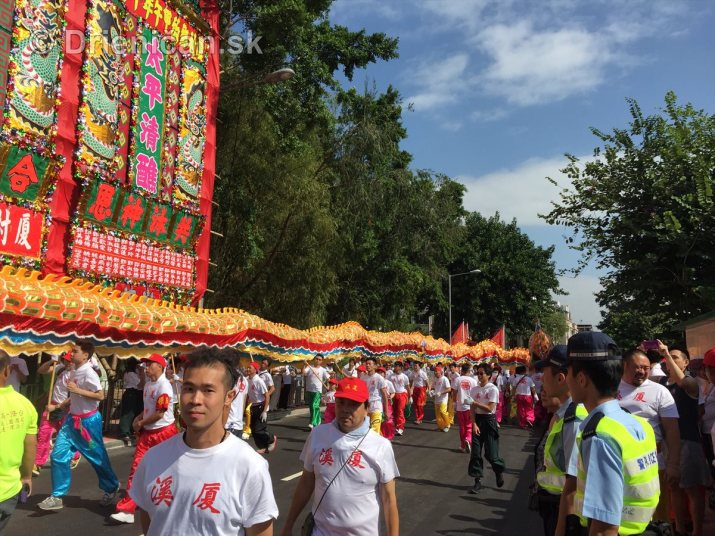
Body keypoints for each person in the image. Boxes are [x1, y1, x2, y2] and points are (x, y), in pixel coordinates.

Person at [129, 349, 278, 535]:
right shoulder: (153, 458)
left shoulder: (250, 466)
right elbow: (150, 521)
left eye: (208, 390)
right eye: (189, 389)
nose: (195, 400)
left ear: (229, 397)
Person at [279, 377, 399, 536]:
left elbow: (389, 500)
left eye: (354, 404)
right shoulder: (318, 435)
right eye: (341, 402)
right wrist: (288, 525)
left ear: (367, 408)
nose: (346, 409)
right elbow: (306, 482)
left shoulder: (380, 446)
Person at [566, 332, 659, 536]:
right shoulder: (638, 423)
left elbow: (604, 528)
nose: (566, 381)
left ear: (581, 379)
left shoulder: (600, 437)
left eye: (568, 373)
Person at [38, 341, 120, 511]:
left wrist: (77, 391)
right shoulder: (74, 371)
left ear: (85, 355)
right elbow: (73, 397)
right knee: (57, 455)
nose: (72, 353)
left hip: (88, 425)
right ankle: (57, 495)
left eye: (75, 351)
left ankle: (111, 487)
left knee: (97, 458)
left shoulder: (89, 373)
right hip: (71, 422)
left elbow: (100, 395)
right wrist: (58, 407)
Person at [111, 354, 179, 524]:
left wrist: (141, 422)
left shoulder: (164, 386)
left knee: (167, 471)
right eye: (145, 364)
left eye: (149, 365)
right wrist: (139, 418)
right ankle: (127, 509)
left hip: (164, 433)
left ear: (160, 366)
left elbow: (160, 413)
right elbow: (149, 408)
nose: (146, 368)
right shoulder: (148, 384)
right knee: (137, 468)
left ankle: (170, 504)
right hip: (147, 434)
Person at [617, 349, 680, 524]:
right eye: (637, 367)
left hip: (651, 464)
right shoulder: (609, 389)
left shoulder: (660, 392)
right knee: (624, 518)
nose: (643, 372)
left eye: (646, 368)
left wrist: (674, 465)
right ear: (625, 366)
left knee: (657, 518)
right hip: (618, 464)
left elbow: (672, 431)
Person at [533, 345, 588, 536]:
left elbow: (572, 482)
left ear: (560, 378)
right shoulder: (563, 414)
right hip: (553, 504)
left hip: (563, 510)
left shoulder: (574, 419)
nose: (541, 380)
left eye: (544, 373)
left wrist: (562, 527)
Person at [660, 344, 711, 536]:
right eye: (666, 358)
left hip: (688, 442)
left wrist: (665, 353)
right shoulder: (662, 384)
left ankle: (697, 531)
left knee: (692, 490)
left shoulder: (690, 383)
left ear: (686, 362)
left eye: (674, 357)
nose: (668, 360)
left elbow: (683, 384)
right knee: (674, 488)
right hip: (668, 445)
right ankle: (680, 529)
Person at [0, 351, 37, 533]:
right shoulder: (25, 405)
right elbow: (30, 446)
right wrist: (27, 476)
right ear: (7, 371)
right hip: (8, 491)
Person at [33, 353, 80, 476]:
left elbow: (74, 396)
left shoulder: (77, 374)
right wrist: (50, 361)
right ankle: (38, 463)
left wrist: (57, 407)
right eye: (65, 360)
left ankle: (75, 455)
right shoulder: (59, 368)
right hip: (52, 405)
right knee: (43, 433)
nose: (67, 362)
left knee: (67, 436)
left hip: (66, 408)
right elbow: (41, 370)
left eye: (70, 360)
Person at [467, 363, 505, 494]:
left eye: (482, 373)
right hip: (478, 420)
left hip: (489, 422)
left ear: (488, 375)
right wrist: (473, 423)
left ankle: (498, 471)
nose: (479, 375)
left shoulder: (492, 389)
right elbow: (472, 408)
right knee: (476, 453)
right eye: (478, 373)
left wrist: (475, 403)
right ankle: (477, 481)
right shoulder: (474, 389)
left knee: (491, 455)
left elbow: (490, 408)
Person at [246, 362, 278, 454]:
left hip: (261, 406)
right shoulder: (247, 379)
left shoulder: (259, 381)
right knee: (253, 429)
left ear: (255, 370)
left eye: (250, 368)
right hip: (253, 406)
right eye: (247, 368)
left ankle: (271, 439)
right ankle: (263, 447)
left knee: (259, 429)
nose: (248, 369)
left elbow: (267, 395)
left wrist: (264, 411)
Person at [118, 357, 144, 446]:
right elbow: (139, 384)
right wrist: (142, 375)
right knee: (128, 414)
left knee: (135, 412)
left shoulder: (135, 372)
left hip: (136, 393)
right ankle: (124, 431)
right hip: (131, 392)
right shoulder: (130, 373)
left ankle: (131, 430)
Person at [362, 358, 389, 435]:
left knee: (374, 430)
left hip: (376, 406)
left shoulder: (379, 378)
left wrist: (386, 411)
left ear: (375, 366)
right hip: (366, 407)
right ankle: (381, 442)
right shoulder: (363, 377)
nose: (367, 365)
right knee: (367, 429)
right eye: (366, 364)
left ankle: (374, 445)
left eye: (369, 364)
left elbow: (384, 395)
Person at [454, 363, 477, 452]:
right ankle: (468, 439)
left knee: (462, 426)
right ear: (469, 371)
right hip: (470, 406)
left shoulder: (457, 379)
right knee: (469, 425)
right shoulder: (473, 381)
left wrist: (454, 403)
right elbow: (475, 394)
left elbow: (454, 392)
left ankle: (463, 445)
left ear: (462, 370)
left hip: (460, 406)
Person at [304, 355, 330, 429]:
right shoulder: (309, 367)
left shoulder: (323, 370)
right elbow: (304, 373)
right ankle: (317, 420)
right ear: (314, 359)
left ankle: (312, 422)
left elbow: (328, 378)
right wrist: (304, 364)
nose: (318, 360)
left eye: (320, 359)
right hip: (309, 389)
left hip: (317, 390)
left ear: (321, 361)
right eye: (317, 359)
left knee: (314, 405)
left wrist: (328, 385)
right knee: (312, 407)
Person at [390, 362, 410, 436]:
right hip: (394, 394)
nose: (396, 368)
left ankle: (400, 427)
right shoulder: (391, 376)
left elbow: (408, 388)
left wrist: (409, 397)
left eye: (398, 366)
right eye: (395, 366)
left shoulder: (404, 377)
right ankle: (396, 426)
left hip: (402, 394)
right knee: (394, 411)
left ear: (401, 368)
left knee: (400, 411)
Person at [432, 365, 452, 432]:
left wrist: (441, 392)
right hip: (436, 399)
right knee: (438, 414)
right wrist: (432, 391)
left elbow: (449, 389)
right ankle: (441, 426)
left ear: (441, 372)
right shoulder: (435, 379)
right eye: (435, 372)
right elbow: (433, 387)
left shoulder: (444, 379)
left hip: (443, 399)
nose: (435, 373)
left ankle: (447, 425)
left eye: (437, 372)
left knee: (442, 411)